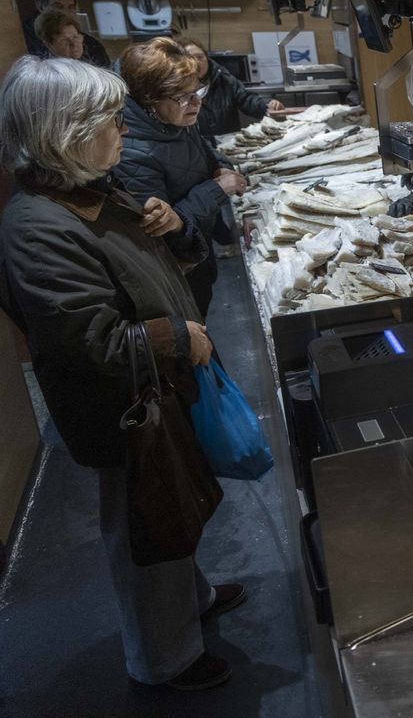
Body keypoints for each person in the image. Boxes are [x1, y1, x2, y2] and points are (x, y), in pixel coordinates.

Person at [0, 56, 244, 691]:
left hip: (155, 385)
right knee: (145, 527)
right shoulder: (37, 225)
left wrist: (171, 229)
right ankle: (164, 659)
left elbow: (144, 266)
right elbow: (88, 339)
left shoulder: (90, 192)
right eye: (109, 119)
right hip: (122, 405)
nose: (124, 130)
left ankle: (191, 599)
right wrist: (175, 335)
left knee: (171, 508)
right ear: (66, 131)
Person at [113, 37, 248, 318]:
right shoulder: (131, 153)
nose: (196, 102)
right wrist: (216, 189)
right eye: (184, 96)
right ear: (150, 99)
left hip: (201, 248)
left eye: (198, 90)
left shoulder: (175, 119)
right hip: (177, 270)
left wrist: (220, 165)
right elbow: (161, 231)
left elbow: (205, 153)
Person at [176, 37, 284, 139]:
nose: (197, 62)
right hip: (196, 147)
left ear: (207, 59)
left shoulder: (223, 78)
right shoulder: (174, 88)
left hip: (228, 144)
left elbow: (245, 98)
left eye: (200, 57)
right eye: (190, 58)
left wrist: (266, 106)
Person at [24, 0, 110, 67]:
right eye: (58, 6)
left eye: (70, 7)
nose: (65, 12)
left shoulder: (92, 45)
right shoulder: (24, 40)